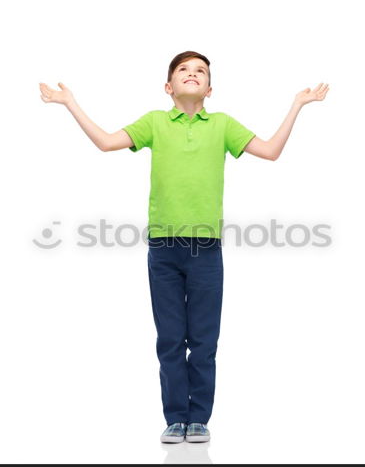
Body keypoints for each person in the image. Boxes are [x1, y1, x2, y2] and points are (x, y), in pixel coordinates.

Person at [39, 50, 329, 443]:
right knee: (171, 338)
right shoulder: (155, 122)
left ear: (209, 89)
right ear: (168, 86)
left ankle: (200, 420)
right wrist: (70, 103)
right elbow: (107, 143)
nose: (192, 74)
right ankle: (176, 417)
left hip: (207, 249)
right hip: (163, 248)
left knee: (204, 341)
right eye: (183, 70)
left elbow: (271, 151)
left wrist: (297, 105)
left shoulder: (223, 125)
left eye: (200, 72)